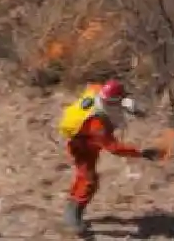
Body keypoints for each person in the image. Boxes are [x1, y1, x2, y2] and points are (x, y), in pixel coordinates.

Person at [58, 78, 161, 236]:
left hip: (86, 140)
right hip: (82, 146)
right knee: (89, 181)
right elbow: (115, 148)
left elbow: (102, 90)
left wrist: (130, 106)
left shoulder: (96, 90)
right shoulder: (97, 126)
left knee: (84, 177)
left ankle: (71, 210)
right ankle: (73, 217)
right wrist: (141, 153)